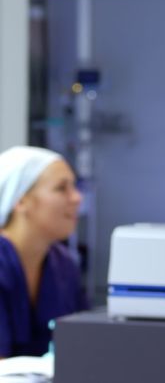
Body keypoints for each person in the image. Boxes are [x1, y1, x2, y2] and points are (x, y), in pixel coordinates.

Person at [0, 146, 88, 358]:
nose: (77, 198)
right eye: (61, 188)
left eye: (74, 187)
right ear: (21, 201)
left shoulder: (64, 264)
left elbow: (86, 344)